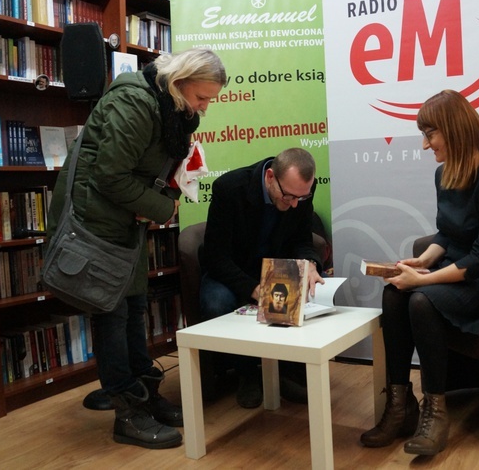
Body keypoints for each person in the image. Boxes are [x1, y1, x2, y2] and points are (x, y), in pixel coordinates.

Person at [45, 48, 227, 449]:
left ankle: (146, 396)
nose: (205, 107)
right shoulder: (133, 102)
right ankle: (128, 413)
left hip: (125, 218)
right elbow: (110, 176)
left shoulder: (169, 106)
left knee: (136, 308)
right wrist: (164, 207)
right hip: (97, 220)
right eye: (202, 97)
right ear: (179, 82)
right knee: (112, 313)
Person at [360, 90, 479, 456]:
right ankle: (400, 407)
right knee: (394, 292)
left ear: (453, 129)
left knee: (420, 301)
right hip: (455, 274)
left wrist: (425, 279)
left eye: (430, 134)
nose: (425, 144)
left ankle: (436, 411)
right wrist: (422, 262)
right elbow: (447, 234)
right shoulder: (444, 174)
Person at [200, 147, 325, 408]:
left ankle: (284, 371)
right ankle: (248, 374)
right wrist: (255, 289)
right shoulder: (230, 188)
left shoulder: (299, 192)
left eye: (300, 199)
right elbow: (216, 256)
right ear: (270, 177)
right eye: (288, 196)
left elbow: (302, 239)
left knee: (306, 291)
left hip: (275, 270)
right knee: (216, 302)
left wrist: (311, 264)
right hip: (233, 271)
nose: (293, 204)